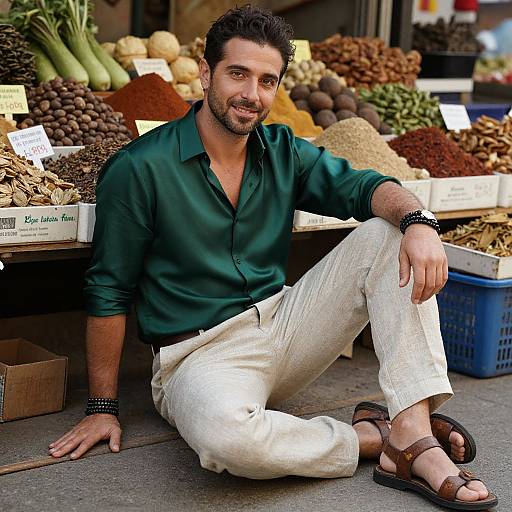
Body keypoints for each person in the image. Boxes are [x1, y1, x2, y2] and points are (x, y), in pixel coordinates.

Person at [49, 5, 496, 510]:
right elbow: (108, 289)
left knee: (388, 234)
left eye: (266, 81)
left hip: (284, 324)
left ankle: (413, 437)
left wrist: (420, 221)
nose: (251, 95)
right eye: (237, 74)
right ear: (205, 73)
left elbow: (365, 187)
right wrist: (102, 406)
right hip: (198, 357)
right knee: (228, 442)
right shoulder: (139, 169)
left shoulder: (283, 148)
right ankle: (375, 441)